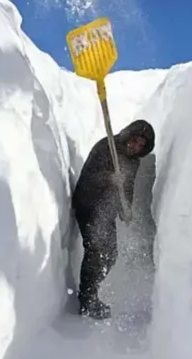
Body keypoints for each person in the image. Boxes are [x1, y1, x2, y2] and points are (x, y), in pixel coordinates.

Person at [71, 119, 155, 319]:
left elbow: (127, 187)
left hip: (105, 212)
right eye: (135, 140)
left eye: (141, 145)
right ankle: (87, 301)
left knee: (110, 255)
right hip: (88, 203)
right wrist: (110, 178)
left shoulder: (133, 161)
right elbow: (91, 174)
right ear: (129, 135)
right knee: (97, 251)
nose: (136, 146)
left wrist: (126, 209)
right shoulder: (107, 146)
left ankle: (91, 293)